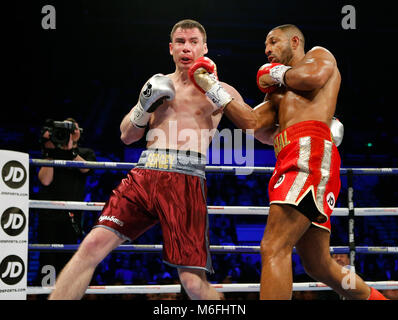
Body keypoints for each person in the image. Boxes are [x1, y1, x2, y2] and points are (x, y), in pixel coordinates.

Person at [48, 19, 253, 300]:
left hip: (186, 179)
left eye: (194, 42)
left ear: (205, 48)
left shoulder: (222, 91)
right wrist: (144, 108)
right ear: (171, 48)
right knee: (91, 246)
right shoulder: (158, 84)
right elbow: (126, 136)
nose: (186, 48)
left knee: (192, 283)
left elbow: (257, 129)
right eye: (180, 42)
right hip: (144, 175)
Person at [189, 24, 388, 300]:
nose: (267, 50)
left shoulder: (319, 56)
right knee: (319, 265)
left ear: (295, 41)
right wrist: (212, 86)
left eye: (273, 42)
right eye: (265, 46)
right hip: (290, 158)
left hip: (310, 154)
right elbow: (251, 123)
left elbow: (312, 77)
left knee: (273, 246)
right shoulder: (278, 94)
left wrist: (273, 72)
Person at [37, 118, 96, 281]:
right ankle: (47, 295)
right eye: (64, 129)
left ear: (79, 133)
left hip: (72, 215)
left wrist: (70, 150)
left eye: (72, 129)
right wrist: (51, 151)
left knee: (68, 260)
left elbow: (86, 169)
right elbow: (45, 180)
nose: (69, 133)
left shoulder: (86, 153)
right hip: (49, 214)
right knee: (47, 261)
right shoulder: (50, 152)